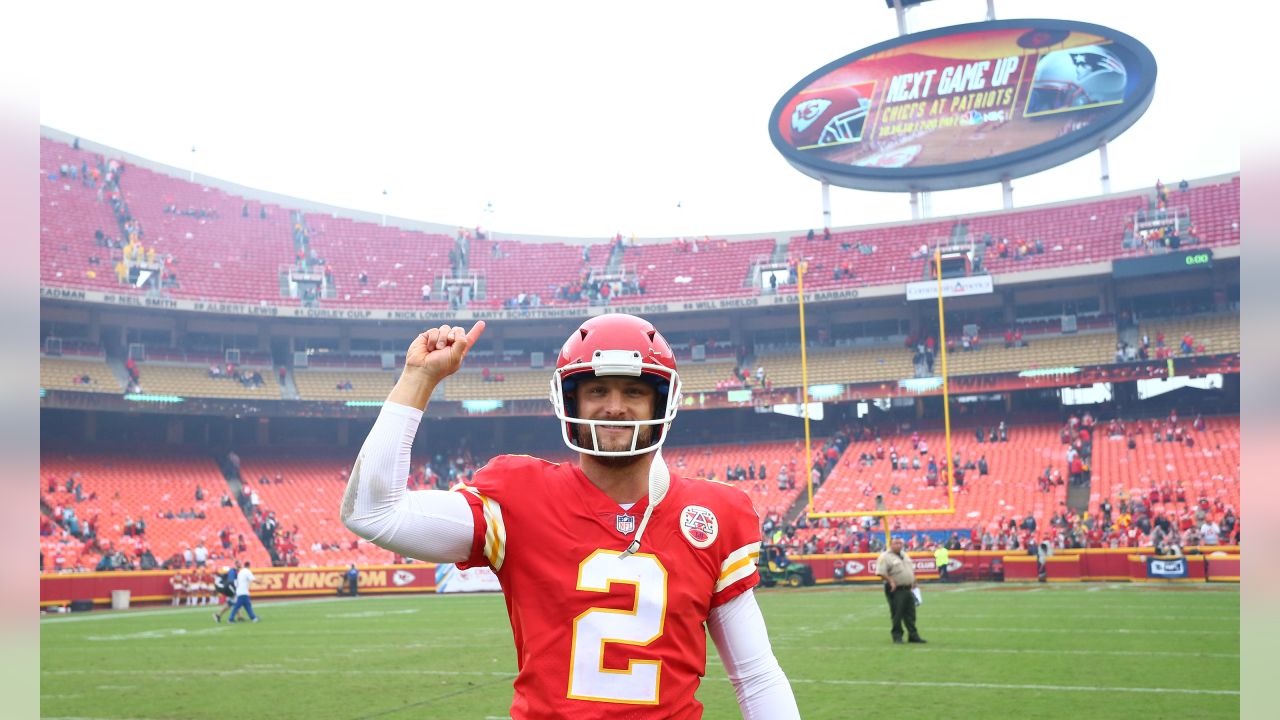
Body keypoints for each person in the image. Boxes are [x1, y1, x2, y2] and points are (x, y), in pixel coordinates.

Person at [342, 316, 799, 718]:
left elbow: (756, 677)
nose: (615, 406)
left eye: (634, 391)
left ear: (660, 405)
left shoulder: (711, 516)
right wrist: (418, 379)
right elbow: (373, 512)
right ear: (571, 402)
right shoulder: (520, 498)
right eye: (597, 389)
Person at [876, 536, 925, 644]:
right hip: (896, 589)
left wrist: (914, 581)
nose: (899, 545)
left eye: (900, 543)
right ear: (890, 544)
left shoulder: (904, 555)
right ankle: (897, 636)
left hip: (908, 588)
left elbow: (910, 570)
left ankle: (913, 636)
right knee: (897, 613)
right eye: (896, 543)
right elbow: (881, 572)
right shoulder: (885, 557)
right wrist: (891, 581)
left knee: (911, 613)